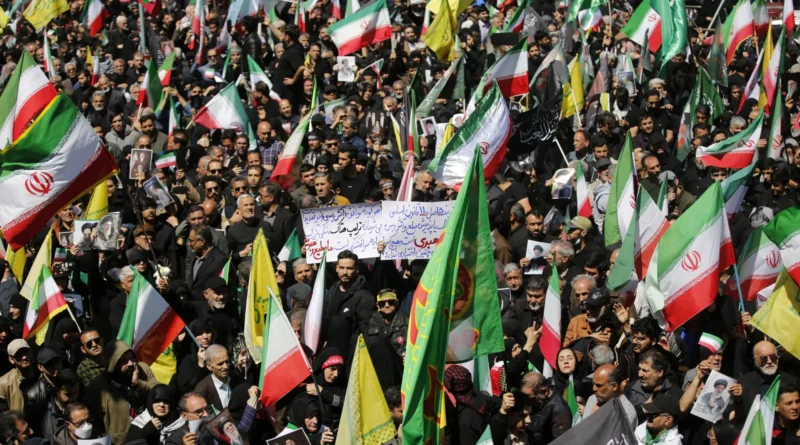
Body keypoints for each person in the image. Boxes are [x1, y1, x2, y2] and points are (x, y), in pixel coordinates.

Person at [86, 340, 160, 445]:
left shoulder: (143, 370)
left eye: (132, 358)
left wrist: (138, 384)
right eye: (124, 361)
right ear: (113, 364)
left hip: (150, 435)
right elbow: (95, 424)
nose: (130, 364)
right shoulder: (98, 387)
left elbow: (160, 394)